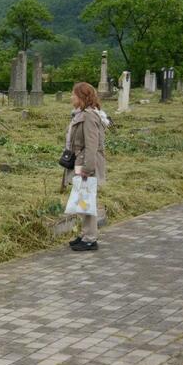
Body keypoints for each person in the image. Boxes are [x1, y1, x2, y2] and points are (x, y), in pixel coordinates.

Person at [63, 82, 109, 251]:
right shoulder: (81, 114)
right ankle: (85, 234)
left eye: (73, 94)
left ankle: (90, 238)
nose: (71, 97)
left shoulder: (89, 116)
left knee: (87, 200)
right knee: (82, 200)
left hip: (86, 164)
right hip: (80, 163)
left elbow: (92, 145)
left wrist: (87, 169)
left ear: (82, 97)